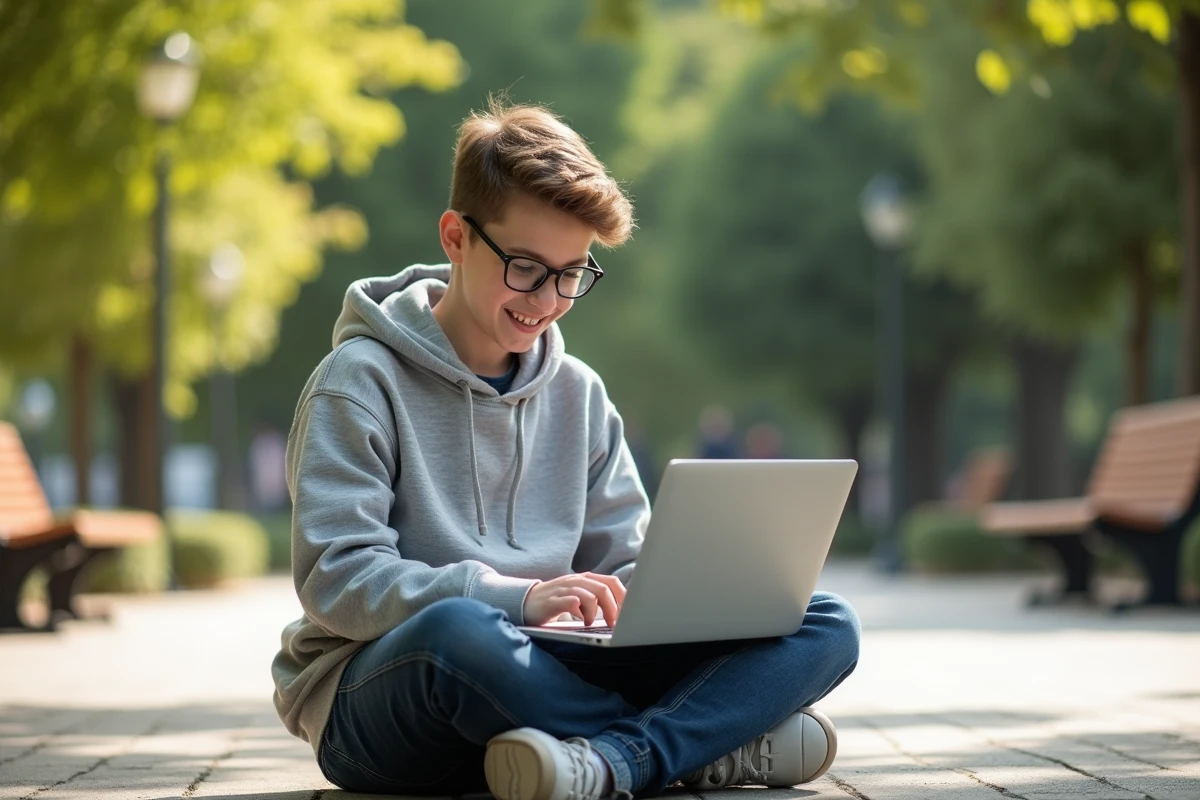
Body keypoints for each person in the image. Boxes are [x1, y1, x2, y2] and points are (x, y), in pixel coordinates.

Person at [270, 99, 861, 800]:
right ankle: (693, 747)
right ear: (456, 237)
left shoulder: (579, 393)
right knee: (460, 631)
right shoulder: (358, 382)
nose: (547, 299)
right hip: (393, 692)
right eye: (525, 267)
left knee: (825, 619)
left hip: (549, 675)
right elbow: (339, 579)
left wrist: (668, 598)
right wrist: (517, 598)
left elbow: (626, 562)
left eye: (572, 273)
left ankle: (615, 759)